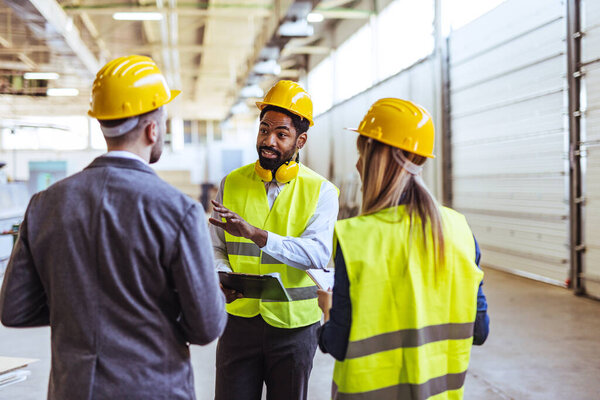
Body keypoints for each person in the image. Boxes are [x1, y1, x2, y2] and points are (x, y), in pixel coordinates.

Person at [0, 55, 227, 400]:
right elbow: (206, 327)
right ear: (153, 129)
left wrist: (79, 308)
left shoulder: (45, 204)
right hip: (154, 388)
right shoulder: (177, 211)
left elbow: (14, 310)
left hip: (73, 389)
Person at [317, 98, 490, 399]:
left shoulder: (355, 237)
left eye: (361, 153)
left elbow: (338, 343)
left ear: (374, 156)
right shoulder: (460, 230)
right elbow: (480, 331)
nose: (357, 164)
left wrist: (326, 309)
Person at [209, 80, 339, 400]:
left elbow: (318, 253)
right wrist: (222, 276)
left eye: (281, 134)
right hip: (238, 321)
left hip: (294, 328)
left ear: (300, 140)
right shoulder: (232, 183)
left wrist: (258, 236)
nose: (268, 141)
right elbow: (215, 246)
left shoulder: (321, 191)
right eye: (264, 129)